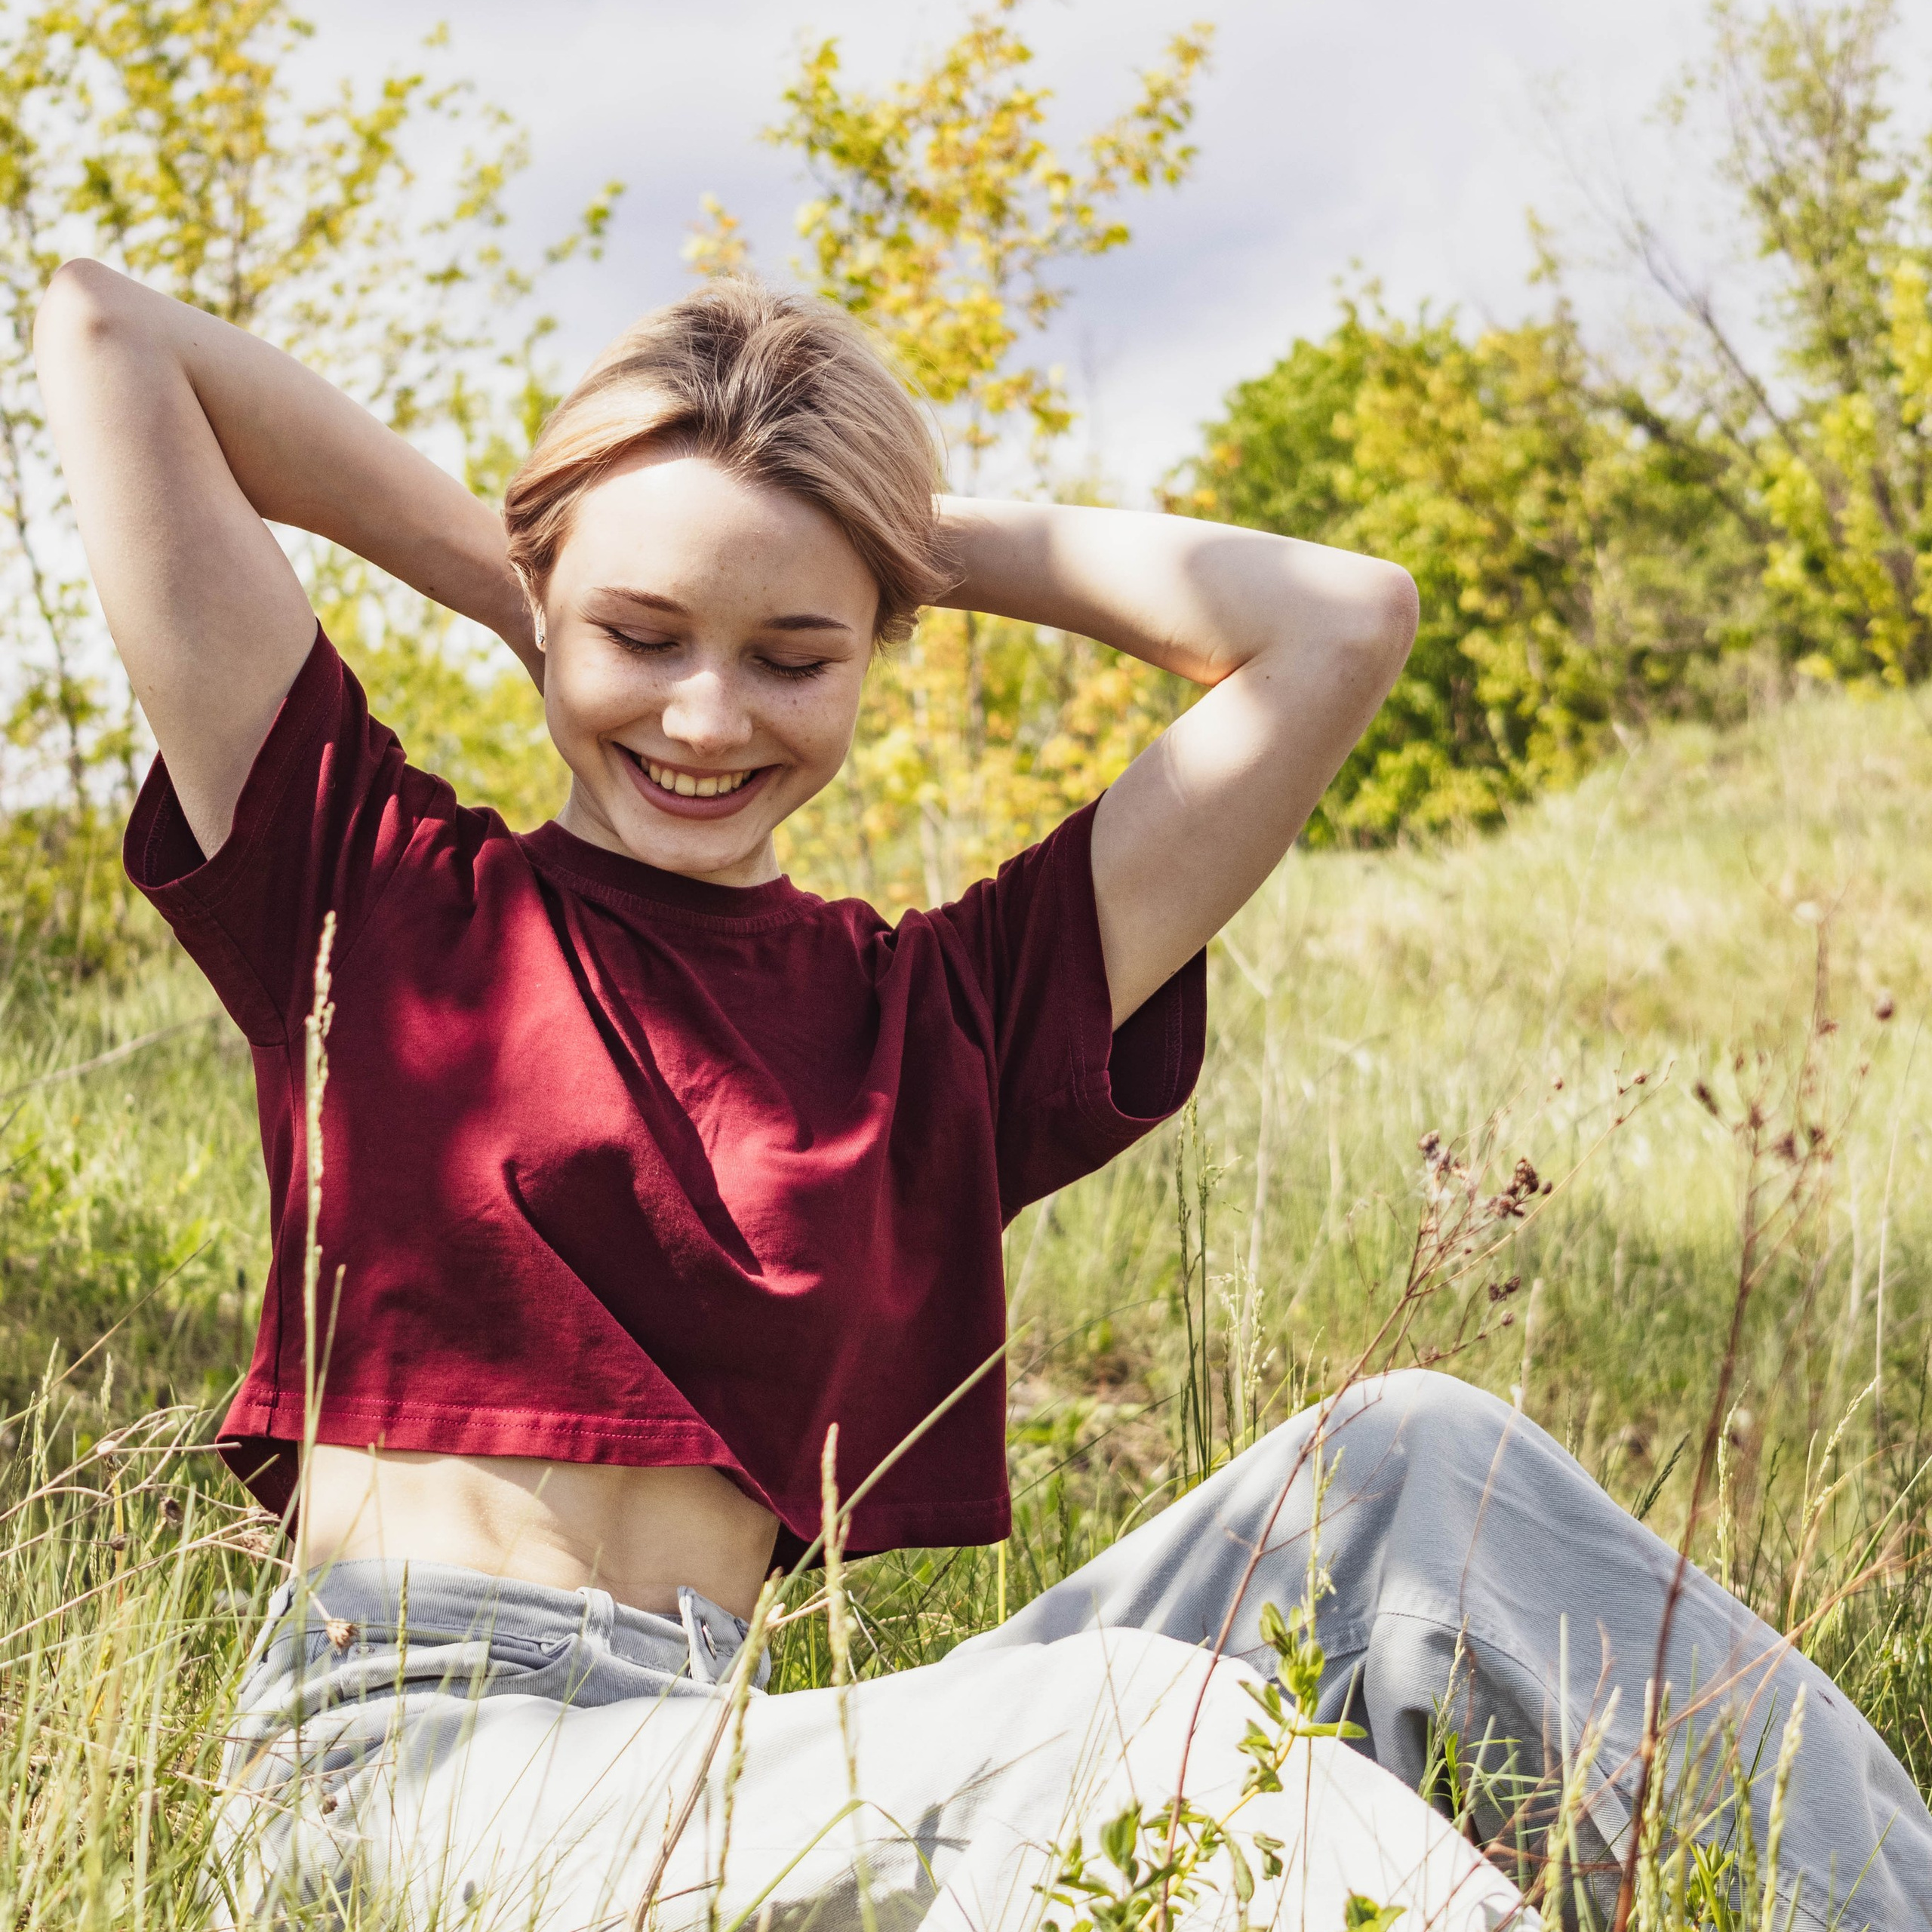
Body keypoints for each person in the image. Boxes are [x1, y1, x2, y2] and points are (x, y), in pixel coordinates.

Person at [32, 263, 1930, 1932]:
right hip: (413, 1778)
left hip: (731, 1752)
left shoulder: (930, 1011)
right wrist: (536, 564)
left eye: (793, 653)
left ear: (877, 652)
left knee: (1420, 1454)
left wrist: (898, 532)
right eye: (640, 638)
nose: (705, 718)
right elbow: (112, 336)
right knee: (1121, 1734)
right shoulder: (376, 891)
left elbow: (1339, 618)